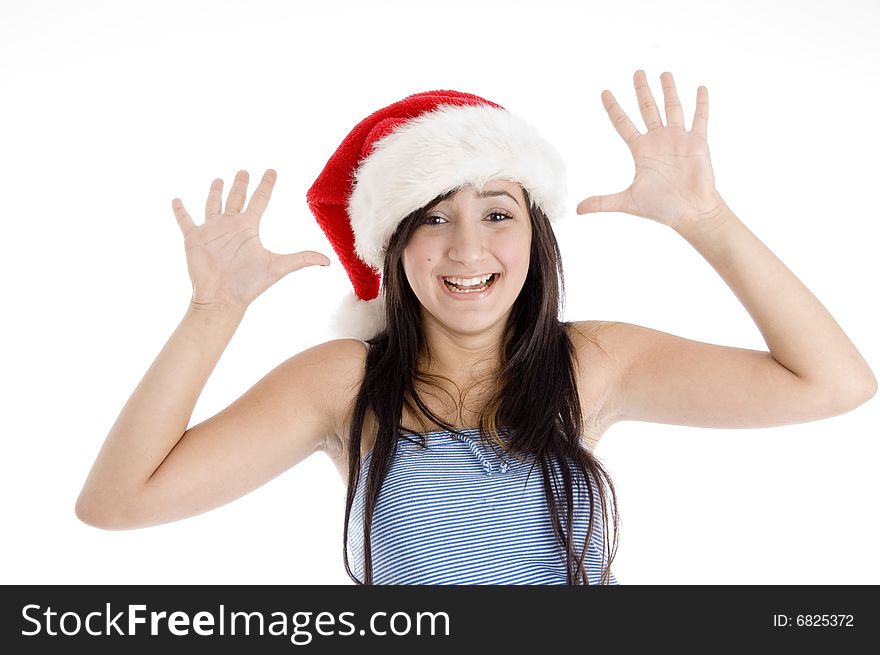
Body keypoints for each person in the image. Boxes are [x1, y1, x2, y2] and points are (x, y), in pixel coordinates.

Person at [75, 71, 877, 585]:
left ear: (534, 234)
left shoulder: (593, 362)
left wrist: (707, 219)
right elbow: (116, 503)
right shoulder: (343, 383)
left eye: (497, 212)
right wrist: (213, 313)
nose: (467, 249)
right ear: (394, 249)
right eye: (431, 218)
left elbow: (835, 384)